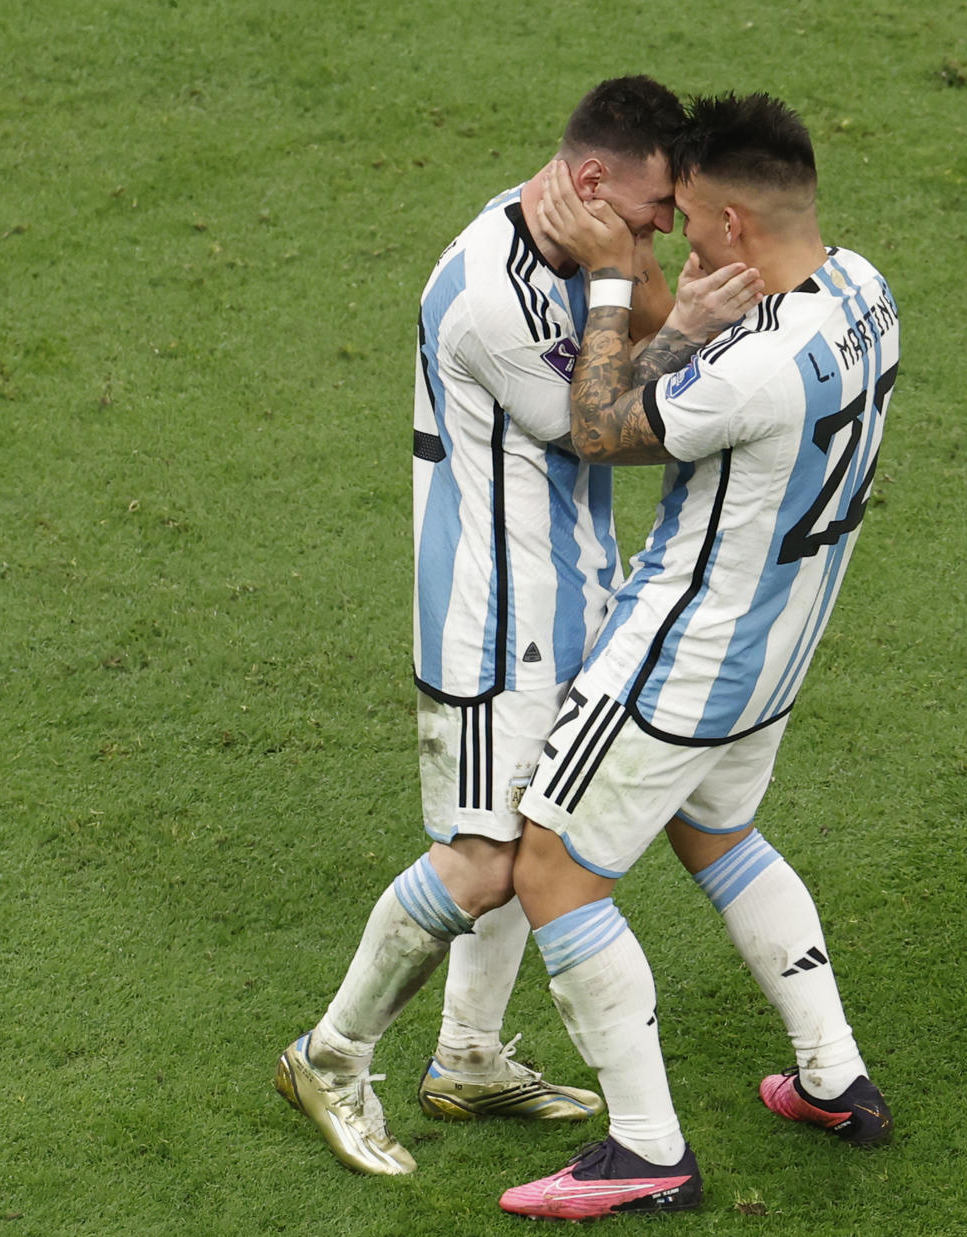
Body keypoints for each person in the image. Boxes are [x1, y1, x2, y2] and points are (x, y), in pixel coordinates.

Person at [274, 75, 753, 1177]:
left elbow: (615, 343)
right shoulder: (491, 295)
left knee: (535, 827)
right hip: (496, 625)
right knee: (484, 861)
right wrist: (671, 317)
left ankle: (469, 1055)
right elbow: (612, 429)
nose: (656, 237)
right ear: (590, 183)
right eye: (646, 217)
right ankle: (330, 1054)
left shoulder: (563, 235)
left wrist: (630, 287)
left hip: (574, 594)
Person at [496, 91, 900, 1219]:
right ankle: (832, 1076)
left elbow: (598, 425)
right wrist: (665, 294)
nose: (667, 226)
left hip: (677, 663)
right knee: (716, 833)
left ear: (730, 226)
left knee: (552, 870)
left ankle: (645, 1153)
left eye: (681, 214)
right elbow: (727, 348)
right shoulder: (865, 290)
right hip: (776, 659)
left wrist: (616, 284)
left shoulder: (751, 371)